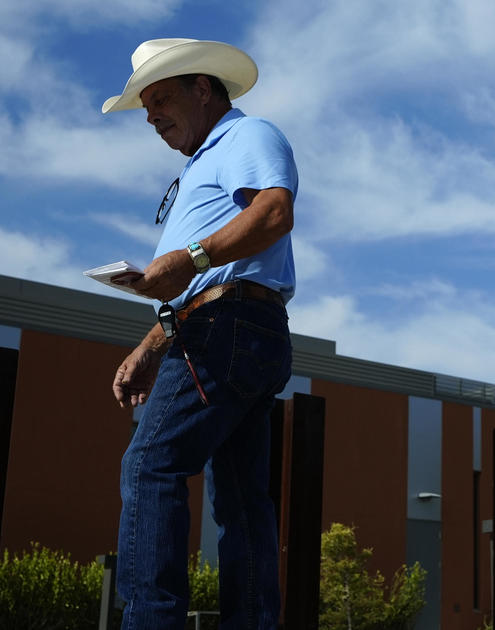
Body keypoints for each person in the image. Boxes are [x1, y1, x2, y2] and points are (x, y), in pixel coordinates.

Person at [104, 38, 297, 629]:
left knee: (151, 466)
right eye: (145, 107)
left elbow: (273, 212)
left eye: (161, 98)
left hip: (229, 326)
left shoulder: (246, 136)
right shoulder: (200, 167)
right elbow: (198, 286)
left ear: (204, 88)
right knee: (240, 499)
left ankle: (150, 621)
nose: (153, 115)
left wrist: (187, 258)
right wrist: (148, 349)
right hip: (232, 326)